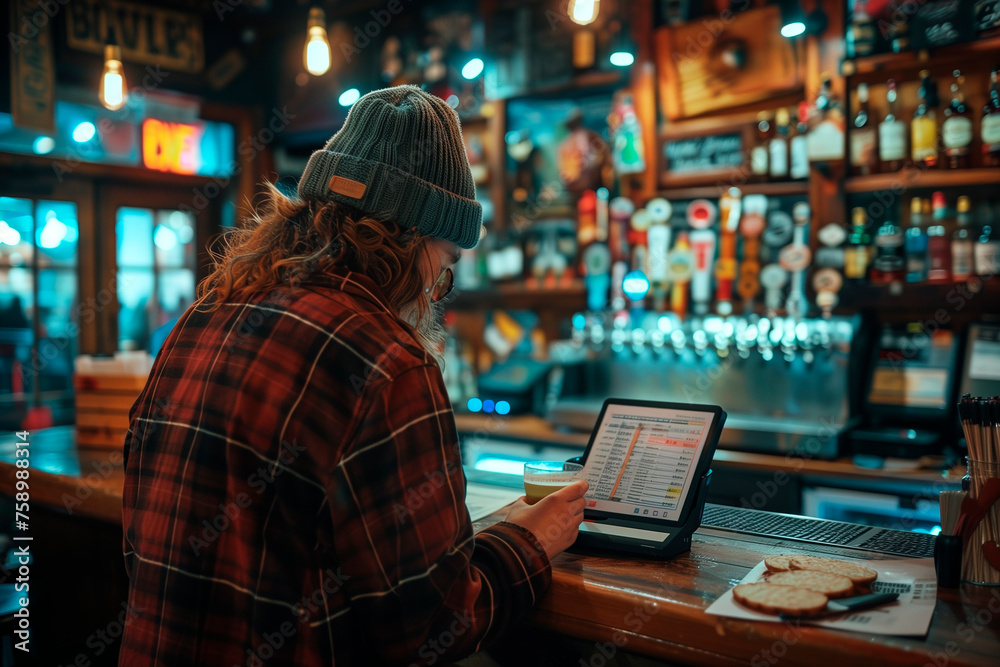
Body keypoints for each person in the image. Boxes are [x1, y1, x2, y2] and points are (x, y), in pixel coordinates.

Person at [119, 85, 588, 666]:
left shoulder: (205, 314)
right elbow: (432, 626)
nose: (434, 293)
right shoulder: (387, 364)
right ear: (411, 240)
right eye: (443, 267)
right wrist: (530, 539)